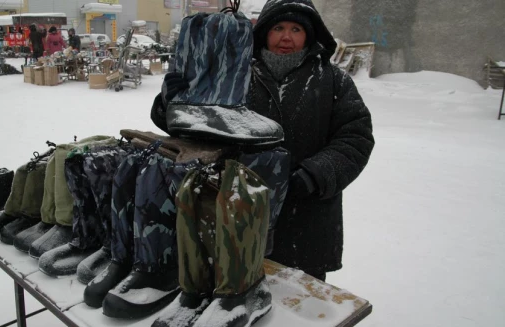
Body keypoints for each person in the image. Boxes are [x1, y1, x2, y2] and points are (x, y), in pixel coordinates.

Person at [151, 0, 375, 282]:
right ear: (264, 32)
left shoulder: (333, 80)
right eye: (278, 27)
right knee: (233, 295)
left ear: (310, 34)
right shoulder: (234, 74)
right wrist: (172, 104)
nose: (286, 37)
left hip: (306, 220)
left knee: (301, 309)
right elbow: (195, 129)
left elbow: (356, 137)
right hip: (234, 212)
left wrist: (315, 175)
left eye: (296, 29)